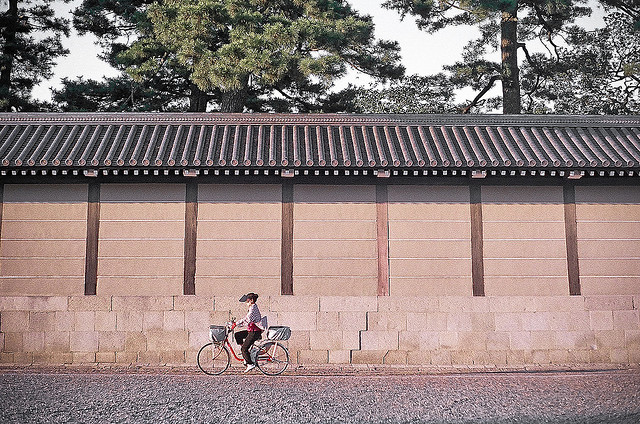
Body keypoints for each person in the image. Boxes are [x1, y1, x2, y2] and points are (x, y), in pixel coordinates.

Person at [232, 292, 262, 372]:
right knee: (237, 335)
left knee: (244, 349)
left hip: (254, 332)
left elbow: (247, 320)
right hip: (251, 330)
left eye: (247, 301)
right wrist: (235, 324)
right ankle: (246, 355)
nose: (246, 302)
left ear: (252, 300)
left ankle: (250, 364)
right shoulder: (252, 307)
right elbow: (246, 321)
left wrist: (236, 324)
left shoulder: (253, 308)